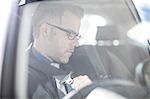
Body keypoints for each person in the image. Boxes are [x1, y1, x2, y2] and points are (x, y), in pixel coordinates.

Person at [27, 2, 92, 99]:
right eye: (70, 34)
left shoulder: (82, 62)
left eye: (77, 36)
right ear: (46, 31)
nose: (76, 44)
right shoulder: (23, 79)